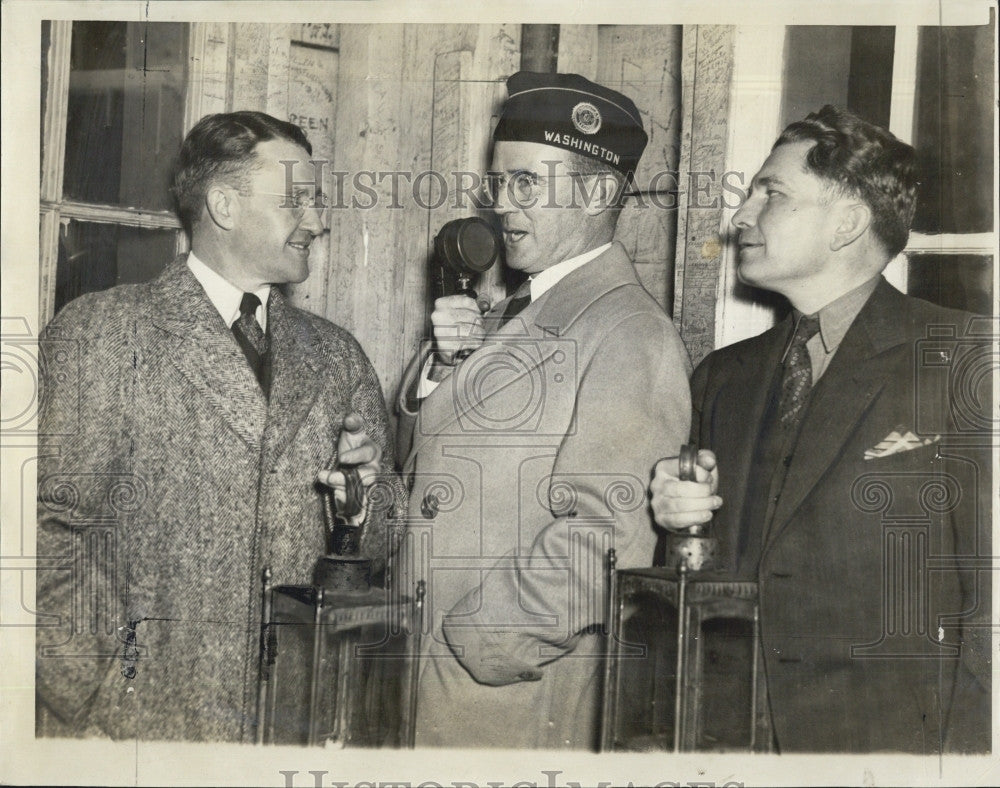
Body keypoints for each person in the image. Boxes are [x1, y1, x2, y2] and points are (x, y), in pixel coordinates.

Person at [35, 111, 404, 742]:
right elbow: (45, 529)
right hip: (139, 724)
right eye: (299, 201)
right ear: (225, 205)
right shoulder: (101, 333)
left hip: (289, 719)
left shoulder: (339, 356)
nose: (317, 220)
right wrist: (86, 692)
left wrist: (360, 510)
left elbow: (381, 540)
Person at [649, 105, 991, 753]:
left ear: (847, 223)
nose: (741, 215)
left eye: (771, 194)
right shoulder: (725, 376)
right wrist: (678, 525)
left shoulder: (962, 359)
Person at [396, 71, 692, 750]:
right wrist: (440, 367)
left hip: (508, 700)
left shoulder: (629, 330)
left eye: (526, 183)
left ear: (596, 192)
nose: (502, 205)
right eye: (499, 183)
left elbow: (603, 535)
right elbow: (417, 461)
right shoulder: (505, 309)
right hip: (432, 679)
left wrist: (472, 643)